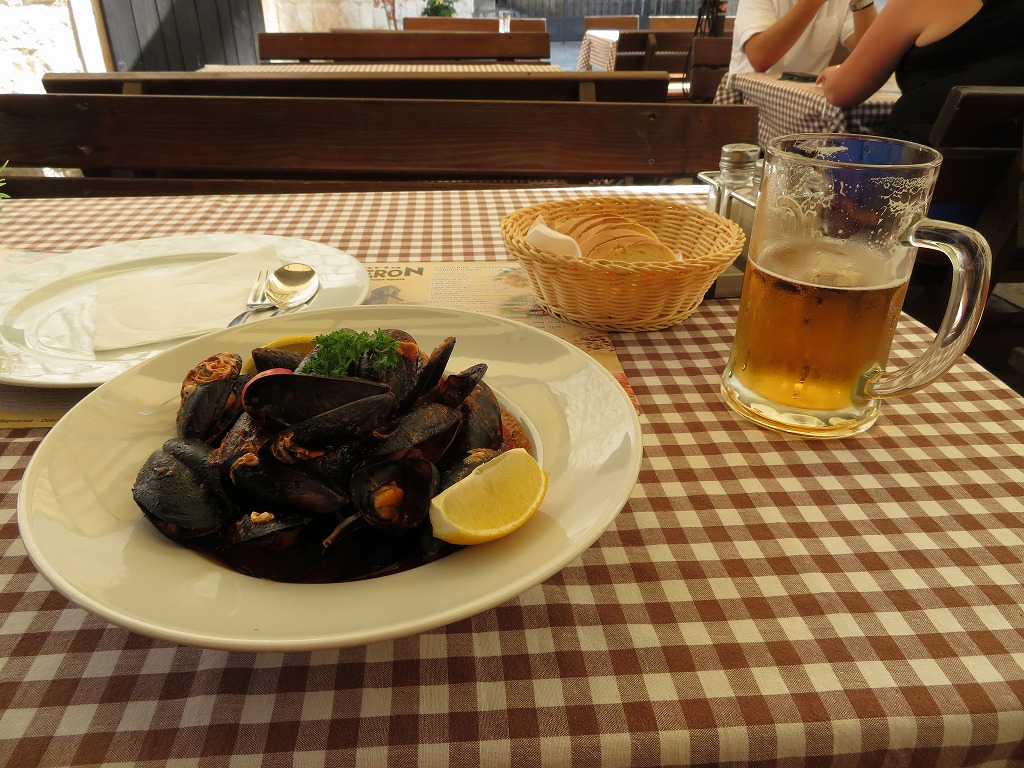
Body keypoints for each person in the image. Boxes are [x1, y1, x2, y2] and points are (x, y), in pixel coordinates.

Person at [817, 0, 1024, 145]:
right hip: (1007, 182)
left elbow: (840, 91)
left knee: (814, 165)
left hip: (913, 175)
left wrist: (834, 75)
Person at [728, 0, 877, 75]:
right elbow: (760, 58)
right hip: (750, 105)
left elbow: (871, 55)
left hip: (808, 104)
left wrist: (861, 1)